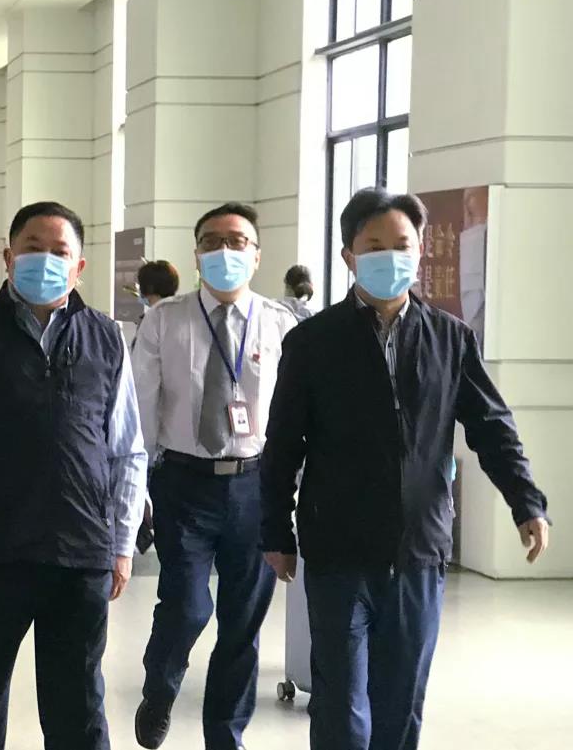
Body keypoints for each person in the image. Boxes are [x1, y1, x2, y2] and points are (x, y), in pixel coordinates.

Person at [261, 188, 552, 750]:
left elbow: (492, 427)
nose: (389, 256)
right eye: (374, 245)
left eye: (402, 244)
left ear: (420, 251)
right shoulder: (313, 342)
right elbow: (283, 443)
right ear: (348, 255)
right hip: (338, 552)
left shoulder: (451, 338)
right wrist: (276, 530)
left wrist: (526, 502)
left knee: (400, 703)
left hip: (418, 551)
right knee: (341, 703)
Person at [0, 201, 148, 750]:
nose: (45, 260)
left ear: (79, 266)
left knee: (77, 704)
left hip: (80, 549)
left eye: (59, 252)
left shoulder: (106, 336)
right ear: (8, 257)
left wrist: (122, 543)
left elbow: (127, 449)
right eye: (32, 248)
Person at [131, 203, 298, 750]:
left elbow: (297, 414)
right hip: (183, 482)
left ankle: (226, 736)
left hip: (256, 485)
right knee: (187, 605)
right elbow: (141, 406)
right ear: (197, 254)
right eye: (212, 241)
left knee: (242, 623)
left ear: (257, 255)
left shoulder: (280, 323)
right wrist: (138, 489)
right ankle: (160, 687)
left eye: (237, 241)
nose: (225, 251)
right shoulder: (165, 320)